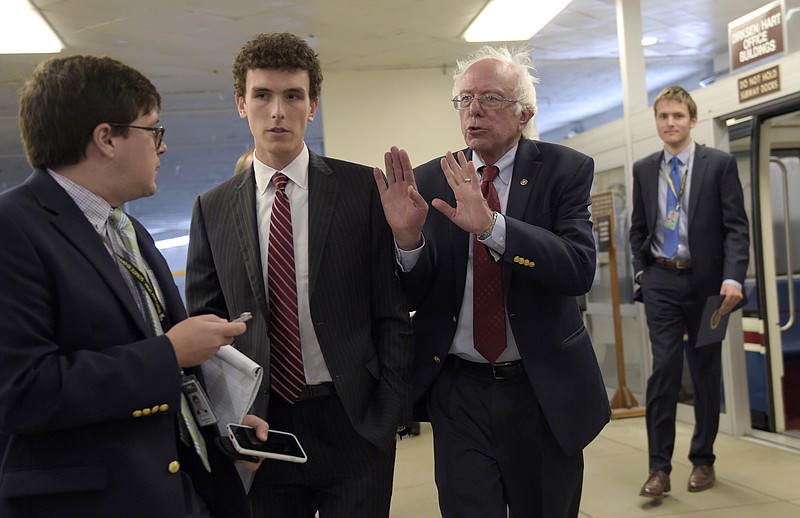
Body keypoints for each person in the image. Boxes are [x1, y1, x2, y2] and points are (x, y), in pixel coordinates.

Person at [0, 55, 268, 517]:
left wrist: (219, 422)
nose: (161, 148)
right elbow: (23, 391)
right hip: (94, 502)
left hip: (183, 489)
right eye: (153, 131)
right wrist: (170, 353)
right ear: (106, 138)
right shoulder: (14, 229)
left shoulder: (125, 230)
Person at [373, 45, 610, 518]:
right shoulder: (430, 181)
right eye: (464, 99)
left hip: (540, 389)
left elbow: (578, 270)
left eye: (490, 98)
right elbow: (415, 295)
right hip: (458, 389)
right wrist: (407, 240)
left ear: (525, 113)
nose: (474, 109)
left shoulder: (565, 170)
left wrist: (492, 228)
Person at [185, 32, 413, 517]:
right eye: (262, 96)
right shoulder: (213, 209)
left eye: (293, 96)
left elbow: (391, 312)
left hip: (354, 421)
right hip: (261, 426)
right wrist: (226, 421)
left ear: (312, 106)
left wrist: (390, 408)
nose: (277, 111)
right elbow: (204, 324)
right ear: (240, 105)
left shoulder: (361, 190)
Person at [629, 85, 749, 498]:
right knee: (663, 370)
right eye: (663, 116)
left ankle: (703, 460)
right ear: (657, 122)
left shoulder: (719, 164)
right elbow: (638, 230)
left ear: (693, 120)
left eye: (678, 116)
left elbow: (736, 227)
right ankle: (659, 469)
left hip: (710, 287)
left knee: (704, 371)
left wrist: (734, 277)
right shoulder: (644, 169)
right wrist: (642, 274)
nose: (670, 123)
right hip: (662, 280)